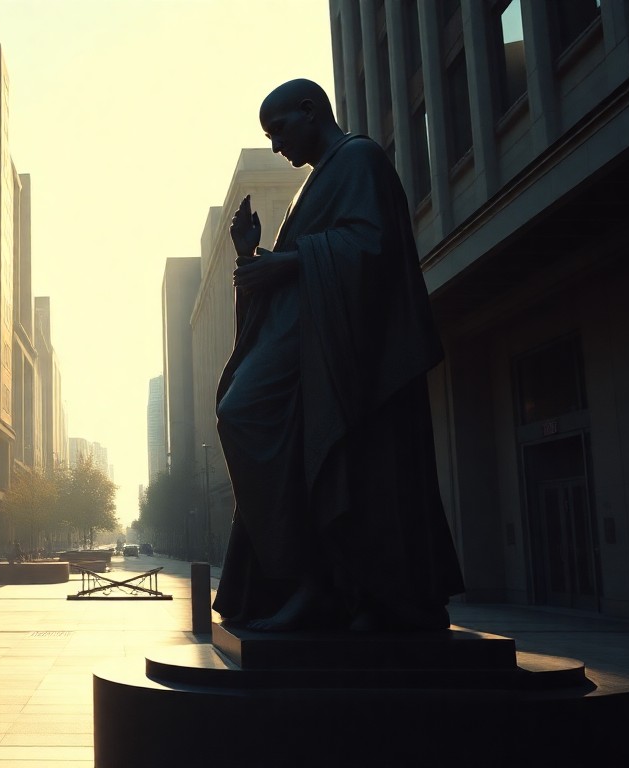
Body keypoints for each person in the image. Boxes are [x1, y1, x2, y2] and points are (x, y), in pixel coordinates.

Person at [212, 79, 464, 632]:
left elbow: (372, 246)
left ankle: (317, 585)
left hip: (342, 358)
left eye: (279, 130)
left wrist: (284, 263)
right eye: (269, 137)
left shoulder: (360, 159)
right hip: (309, 350)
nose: (276, 146)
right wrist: (252, 257)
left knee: (245, 412)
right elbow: (300, 270)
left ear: (310, 110)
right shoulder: (315, 182)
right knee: (239, 411)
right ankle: (305, 580)